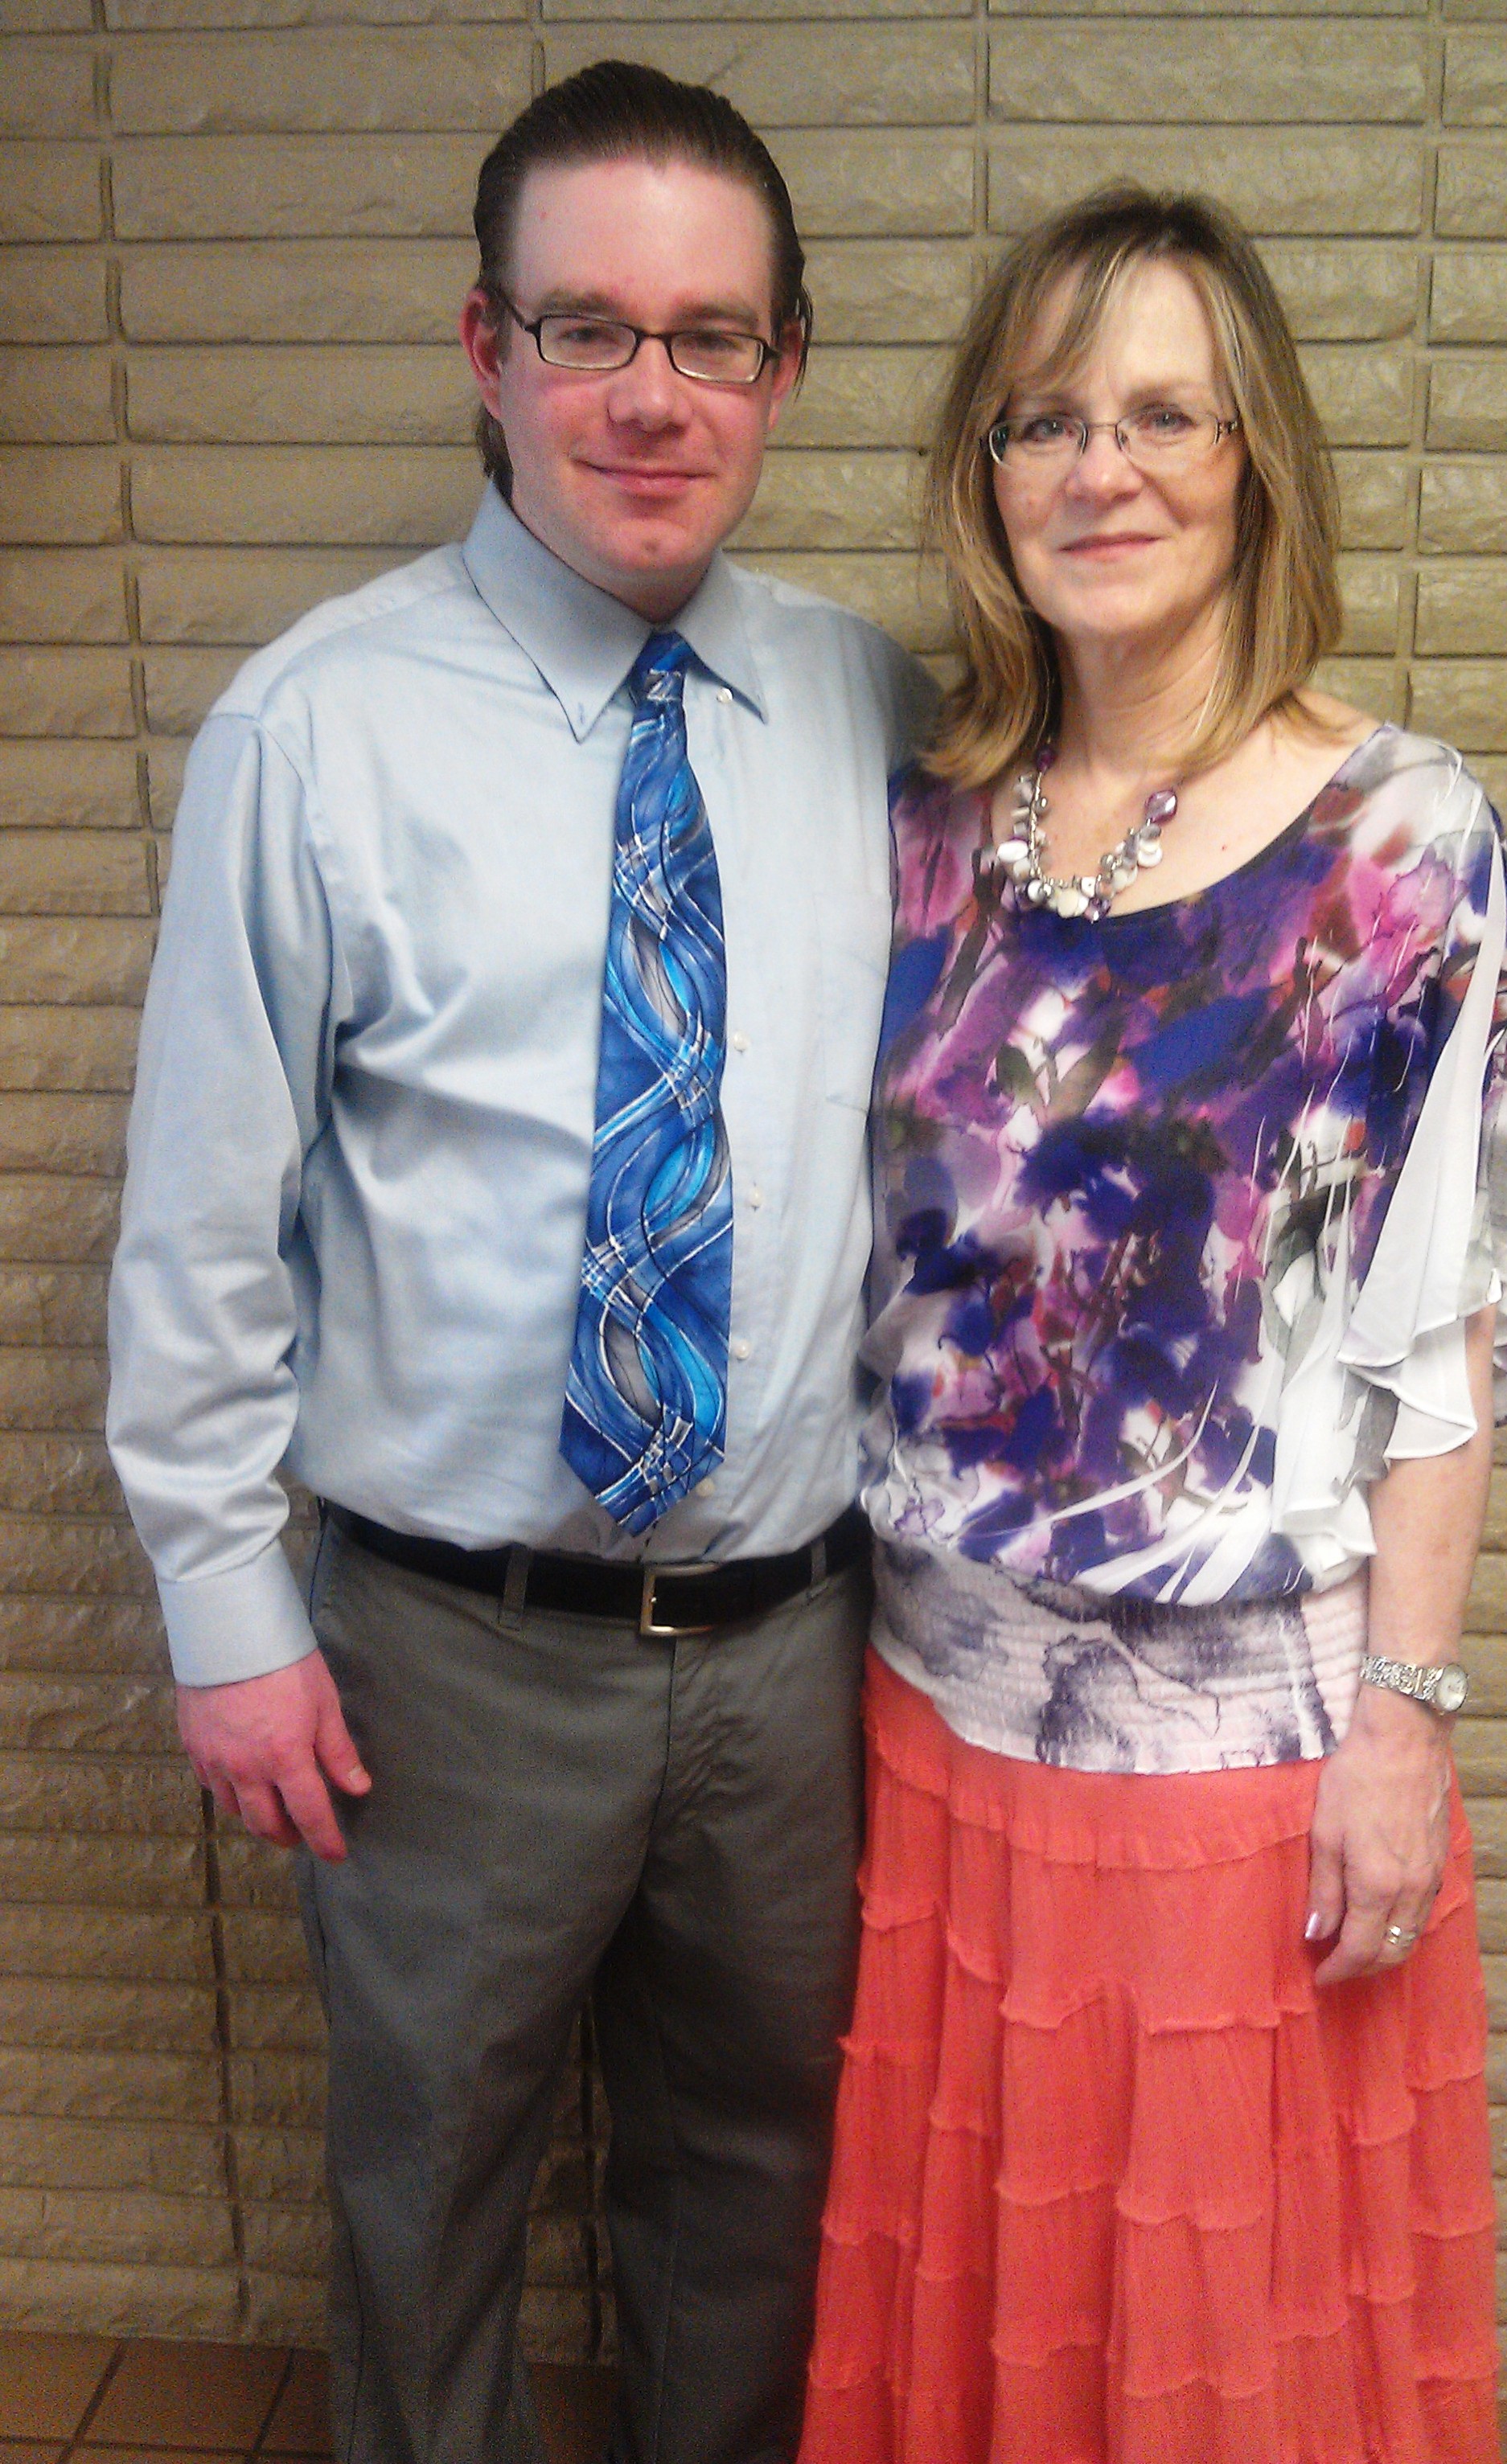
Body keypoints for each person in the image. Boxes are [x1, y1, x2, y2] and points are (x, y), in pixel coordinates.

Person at [105, 59, 934, 2464]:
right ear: (485, 347)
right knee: (434, 2197)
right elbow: (203, 1214)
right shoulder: (317, 729)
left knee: (756, 2197)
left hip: (794, 1646)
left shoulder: (872, 712)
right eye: (587, 329)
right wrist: (222, 1605)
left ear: (784, 368)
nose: (648, 395)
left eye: (707, 335)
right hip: (446, 1654)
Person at [800, 187, 1507, 2464]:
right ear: (981, 465)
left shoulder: (1397, 845)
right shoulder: (929, 826)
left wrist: (1401, 1725)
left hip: (1240, 1775)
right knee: (993, 2330)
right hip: (930, 1724)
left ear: (1253, 467)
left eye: (1159, 415)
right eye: (1043, 418)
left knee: (1218, 2363)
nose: (1096, 470)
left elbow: (1451, 1328)